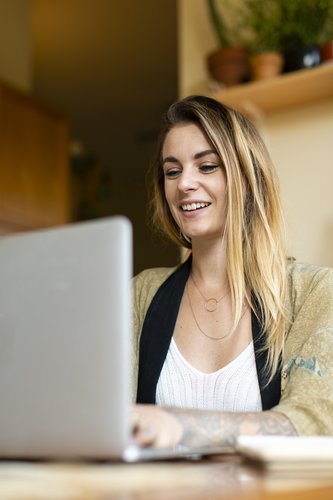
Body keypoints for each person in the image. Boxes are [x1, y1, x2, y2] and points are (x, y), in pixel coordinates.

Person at [131, 95, 333, 450]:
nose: (184, 184)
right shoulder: (141, 294)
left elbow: (315, 420)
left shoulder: (314, 291)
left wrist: (181, 426)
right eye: (172, 171)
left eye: (207, 166)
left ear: (247, 177)